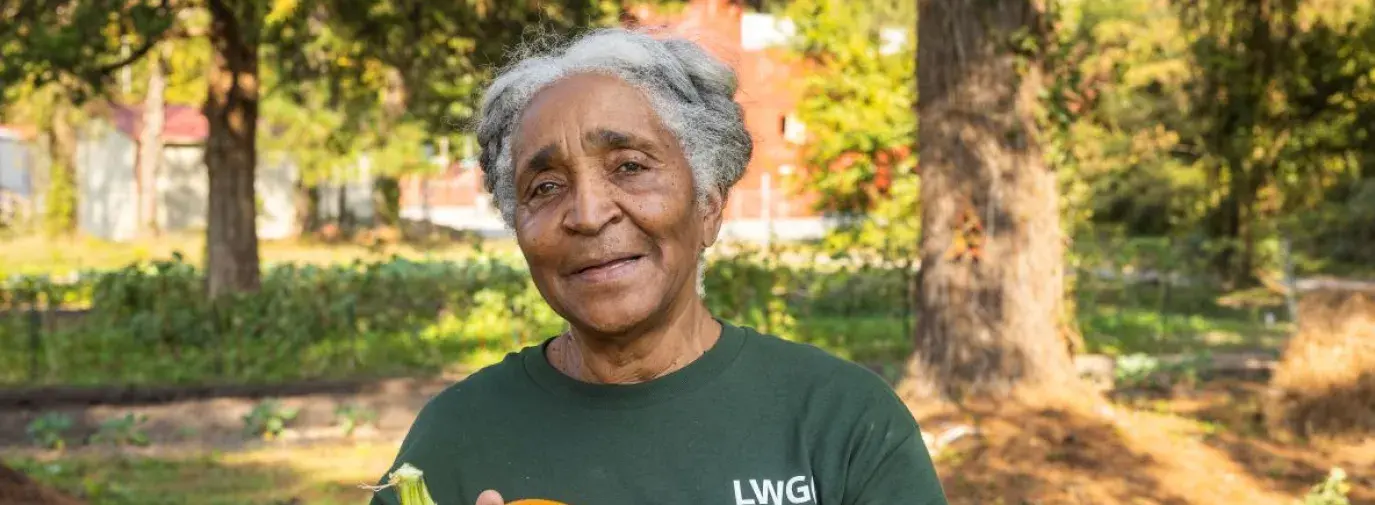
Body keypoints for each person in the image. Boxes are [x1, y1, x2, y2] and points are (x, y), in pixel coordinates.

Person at [369, 28, 948, 505]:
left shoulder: (842, 423)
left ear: (710, 204)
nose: (590, 215)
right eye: (545, 186)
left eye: (629, 167)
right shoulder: (453, 441)